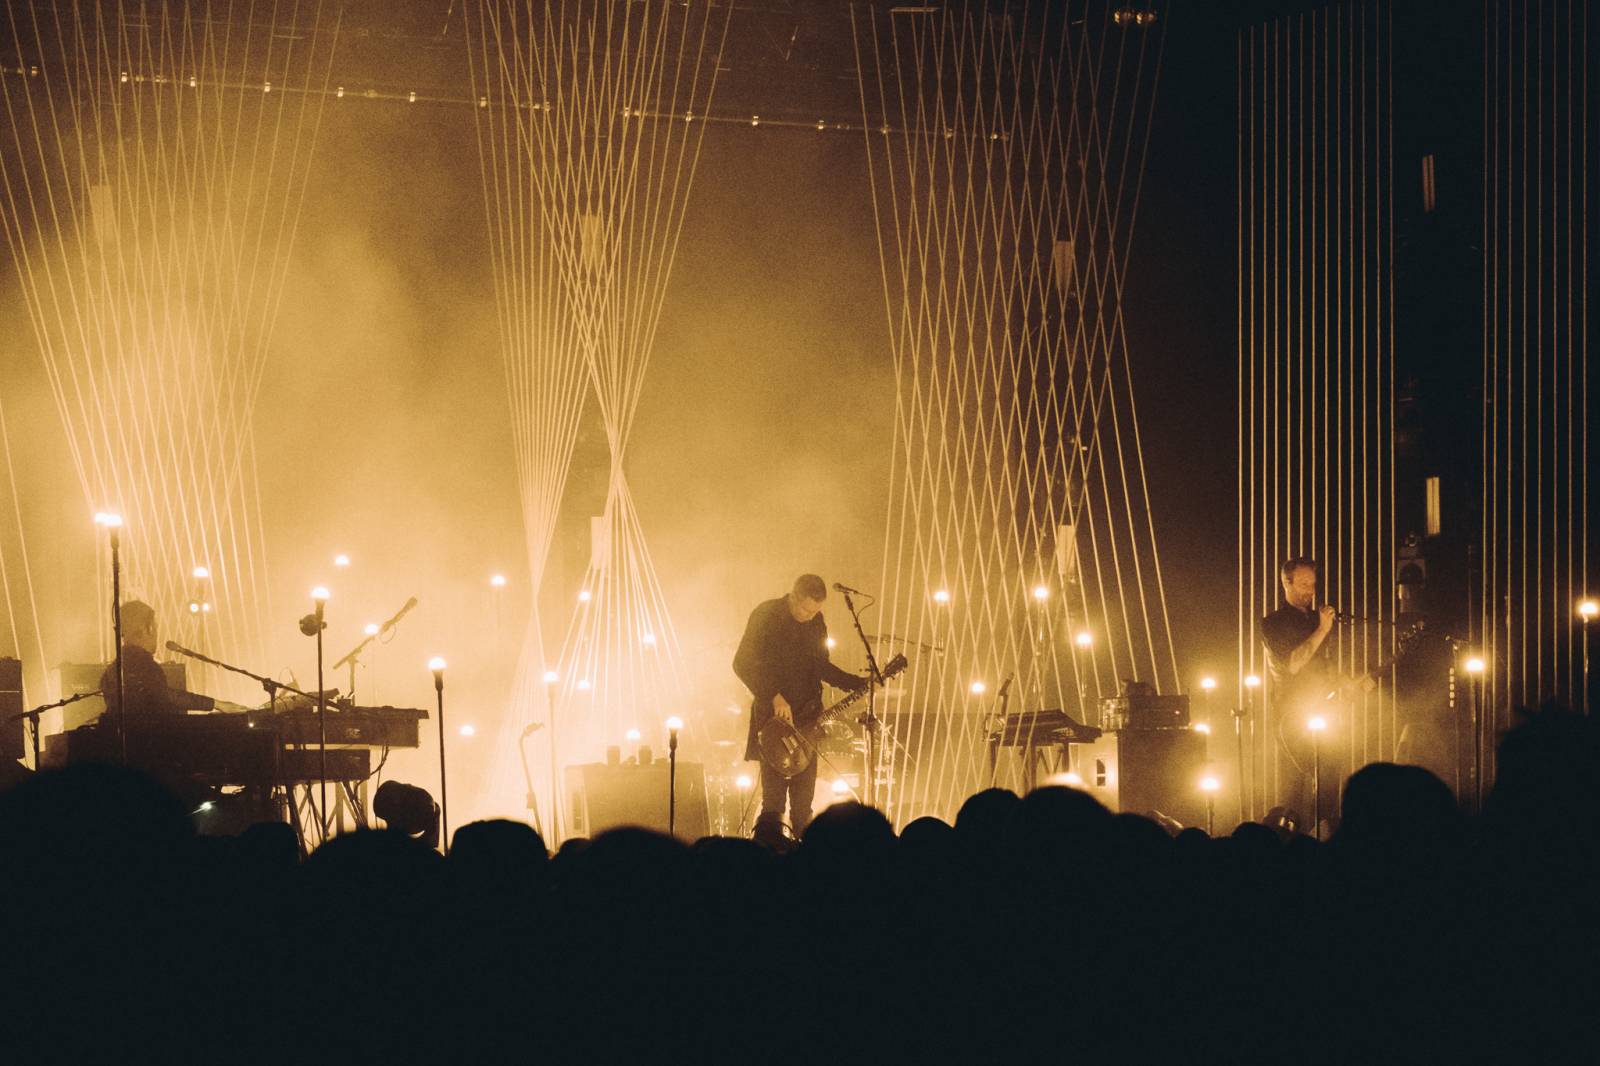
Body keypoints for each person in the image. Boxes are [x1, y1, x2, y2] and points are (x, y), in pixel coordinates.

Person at [733, 574, 866, 842]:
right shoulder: (766, 614)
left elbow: (820, 666)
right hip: (773, 720)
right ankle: (769, 851)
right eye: (805, 609)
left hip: (808, 717)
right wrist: (773, 696)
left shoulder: (816, 622)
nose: (809, 615)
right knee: (773, 798)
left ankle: (805, 855)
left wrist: (855, 683)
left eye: (816, 610)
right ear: (793, 596)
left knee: (804, 799)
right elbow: (742, 663)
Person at [99, 600, 215, 719]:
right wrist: (216, 704)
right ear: (148, 629)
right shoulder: (144, 664)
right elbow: (165, 696)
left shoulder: (113, 669)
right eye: (155, 627)